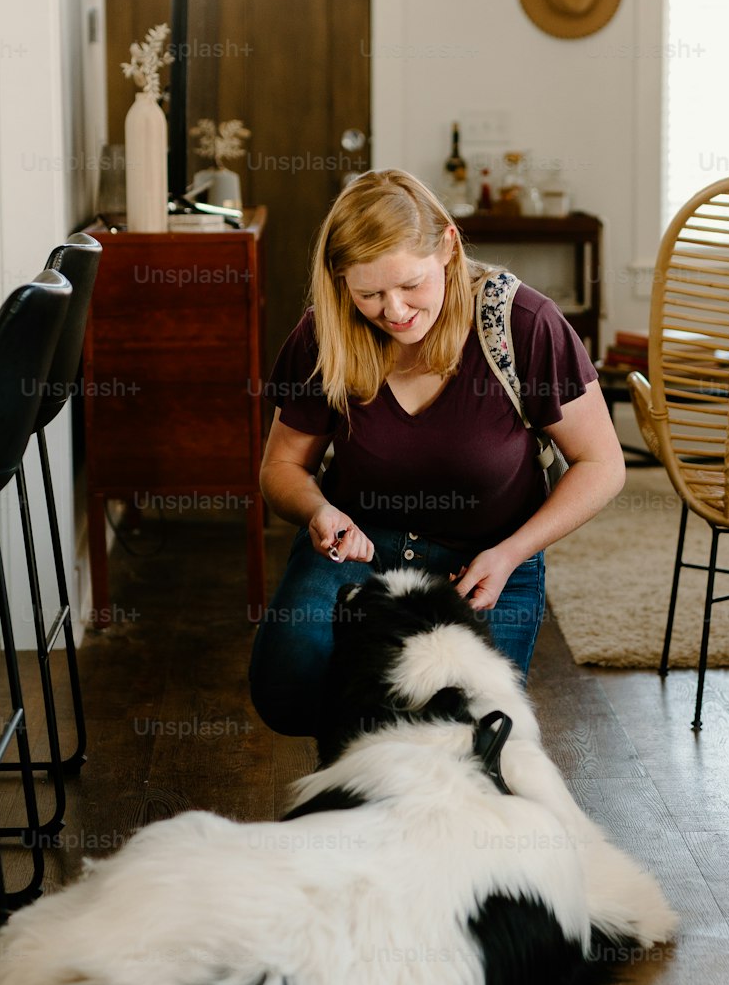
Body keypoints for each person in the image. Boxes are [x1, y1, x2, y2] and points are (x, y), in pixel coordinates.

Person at [249, 168, 625, 736]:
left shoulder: (521, 324)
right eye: (369, 293)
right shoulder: (324, 333)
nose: (395, 311)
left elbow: (603, 465)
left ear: (448, 247)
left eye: (411, 285)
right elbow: (280, 467)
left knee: (469, 728)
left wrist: (511, 553)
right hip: (360, 551)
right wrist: (318, 511)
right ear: (340, 281)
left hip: (487, 560)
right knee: (290, 690)